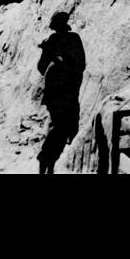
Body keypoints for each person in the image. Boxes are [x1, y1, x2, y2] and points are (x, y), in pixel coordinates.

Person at [36, 11, 85, 175]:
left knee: (60, 127)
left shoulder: (54, 41)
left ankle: (47, 162)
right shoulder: (73, 39)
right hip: (66, 93)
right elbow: (80, 65)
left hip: (57, 92)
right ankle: (46, 160)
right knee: (63, 128)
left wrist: (54, 59)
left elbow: (41, 67)